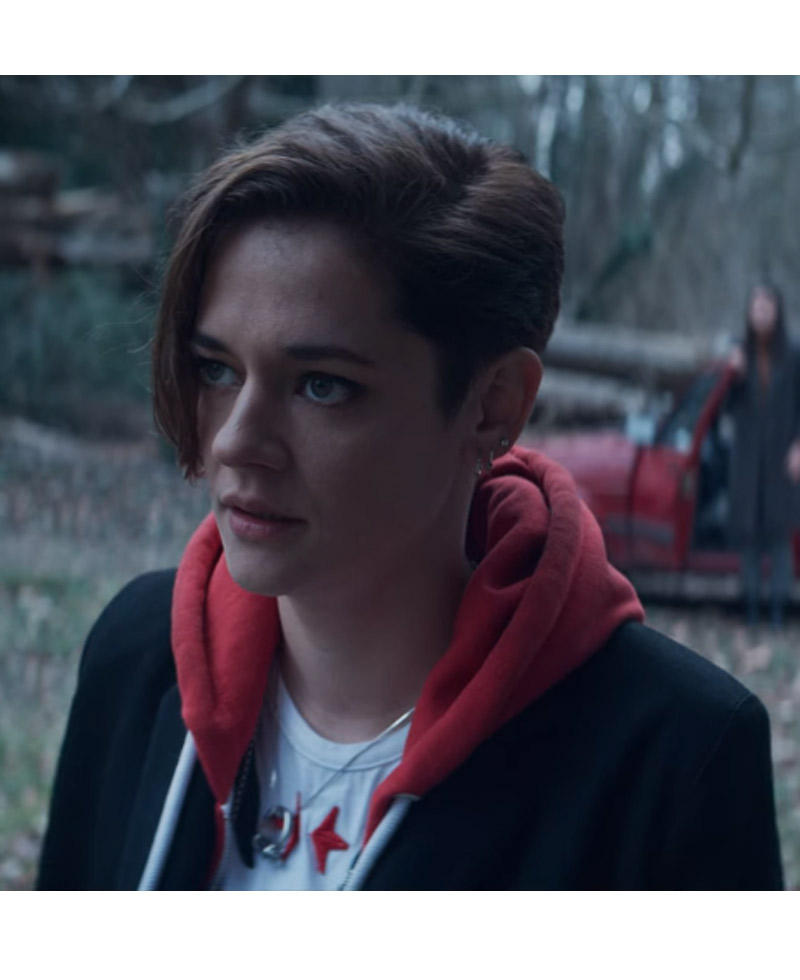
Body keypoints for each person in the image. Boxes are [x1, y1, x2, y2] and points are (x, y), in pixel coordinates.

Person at [37, 104, 783, 890]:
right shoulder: (139, 656)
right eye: (218, 369)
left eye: (322, 386)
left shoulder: (676, 761)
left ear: (493, 405)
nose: (235, 440)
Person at [728, 283, 800, 628]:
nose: (761, 313)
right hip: (748, 460)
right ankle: (751, 609)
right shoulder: (740, 353)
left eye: (766, 307)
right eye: (756, 307)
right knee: (750, 537)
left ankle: (778, 611)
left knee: (779, 537)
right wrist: (734, 375)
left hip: (781, 457)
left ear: (777, 311)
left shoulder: (793, 354)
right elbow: (726, 409)